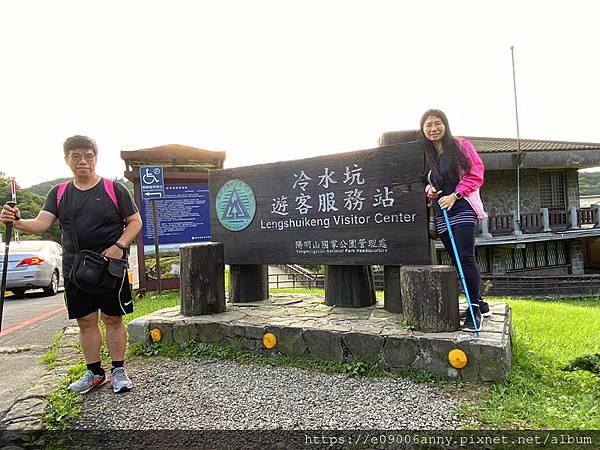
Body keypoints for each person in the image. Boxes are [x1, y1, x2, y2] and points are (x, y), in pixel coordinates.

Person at [0, 135, 142, 393]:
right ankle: (94, 372)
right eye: (76, 156)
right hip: (75, 268)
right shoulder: (60, 193)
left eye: (88, 155)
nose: (83, 161)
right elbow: (42, 224)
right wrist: (17, 222)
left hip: (110, 267)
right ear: (67, 159)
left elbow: (135, 222)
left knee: (113, 319)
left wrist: (119, 247)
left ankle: (118, 370)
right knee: (86, 322)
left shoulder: (114, 189)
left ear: (95, 159)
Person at [420, 109, 490, 332]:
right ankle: (480, 302)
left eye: (437, 123)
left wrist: (455, 195)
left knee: (466, 258)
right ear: (423, 129)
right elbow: (425, 181)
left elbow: (476, 172)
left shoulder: (460, 145)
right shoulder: (426, 153)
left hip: (461, 207)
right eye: (428, 125)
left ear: (445, 125)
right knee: (456, 261)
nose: (433, 128)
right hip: (441, 212)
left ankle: (473, 311)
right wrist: (429, 189)